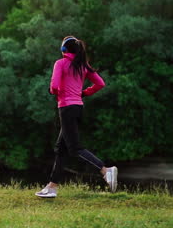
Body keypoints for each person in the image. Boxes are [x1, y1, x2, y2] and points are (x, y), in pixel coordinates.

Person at [35, 36, 118, 198]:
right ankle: (52, 187)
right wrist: (84, 93)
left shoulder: (60, 63)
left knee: (74, 148)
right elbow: (100, 83)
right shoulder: (83, 65)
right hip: (78, 107)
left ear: (64, 50)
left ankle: (105, 169)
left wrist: (56, 92)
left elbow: (53, 86)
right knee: (61, 149)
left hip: (66, 108)